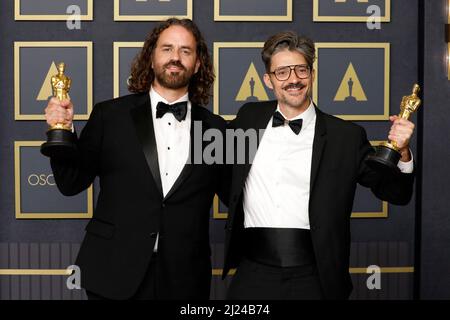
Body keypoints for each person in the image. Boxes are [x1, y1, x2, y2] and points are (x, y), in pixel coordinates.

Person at [222, 31, 415, 300]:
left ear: (311, 74)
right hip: (253, 273)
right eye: (282, 72)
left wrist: (402, 152)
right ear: (268, 80)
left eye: (301, 70)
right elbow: (216, 167)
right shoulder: (248, 118)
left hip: (316, 277)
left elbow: (396, 193)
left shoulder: (346, 136)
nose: (293, 80)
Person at [44, 18, 227, 300]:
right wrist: (63, 131)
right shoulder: (110, 116)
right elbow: (71, 183)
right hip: (113, 271)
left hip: (184, 278)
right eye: (166, 49)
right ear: (152, 57)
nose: (175, 57)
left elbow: (238, 195)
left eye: (185, 51)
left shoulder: (216, 129)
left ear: (198, 63)